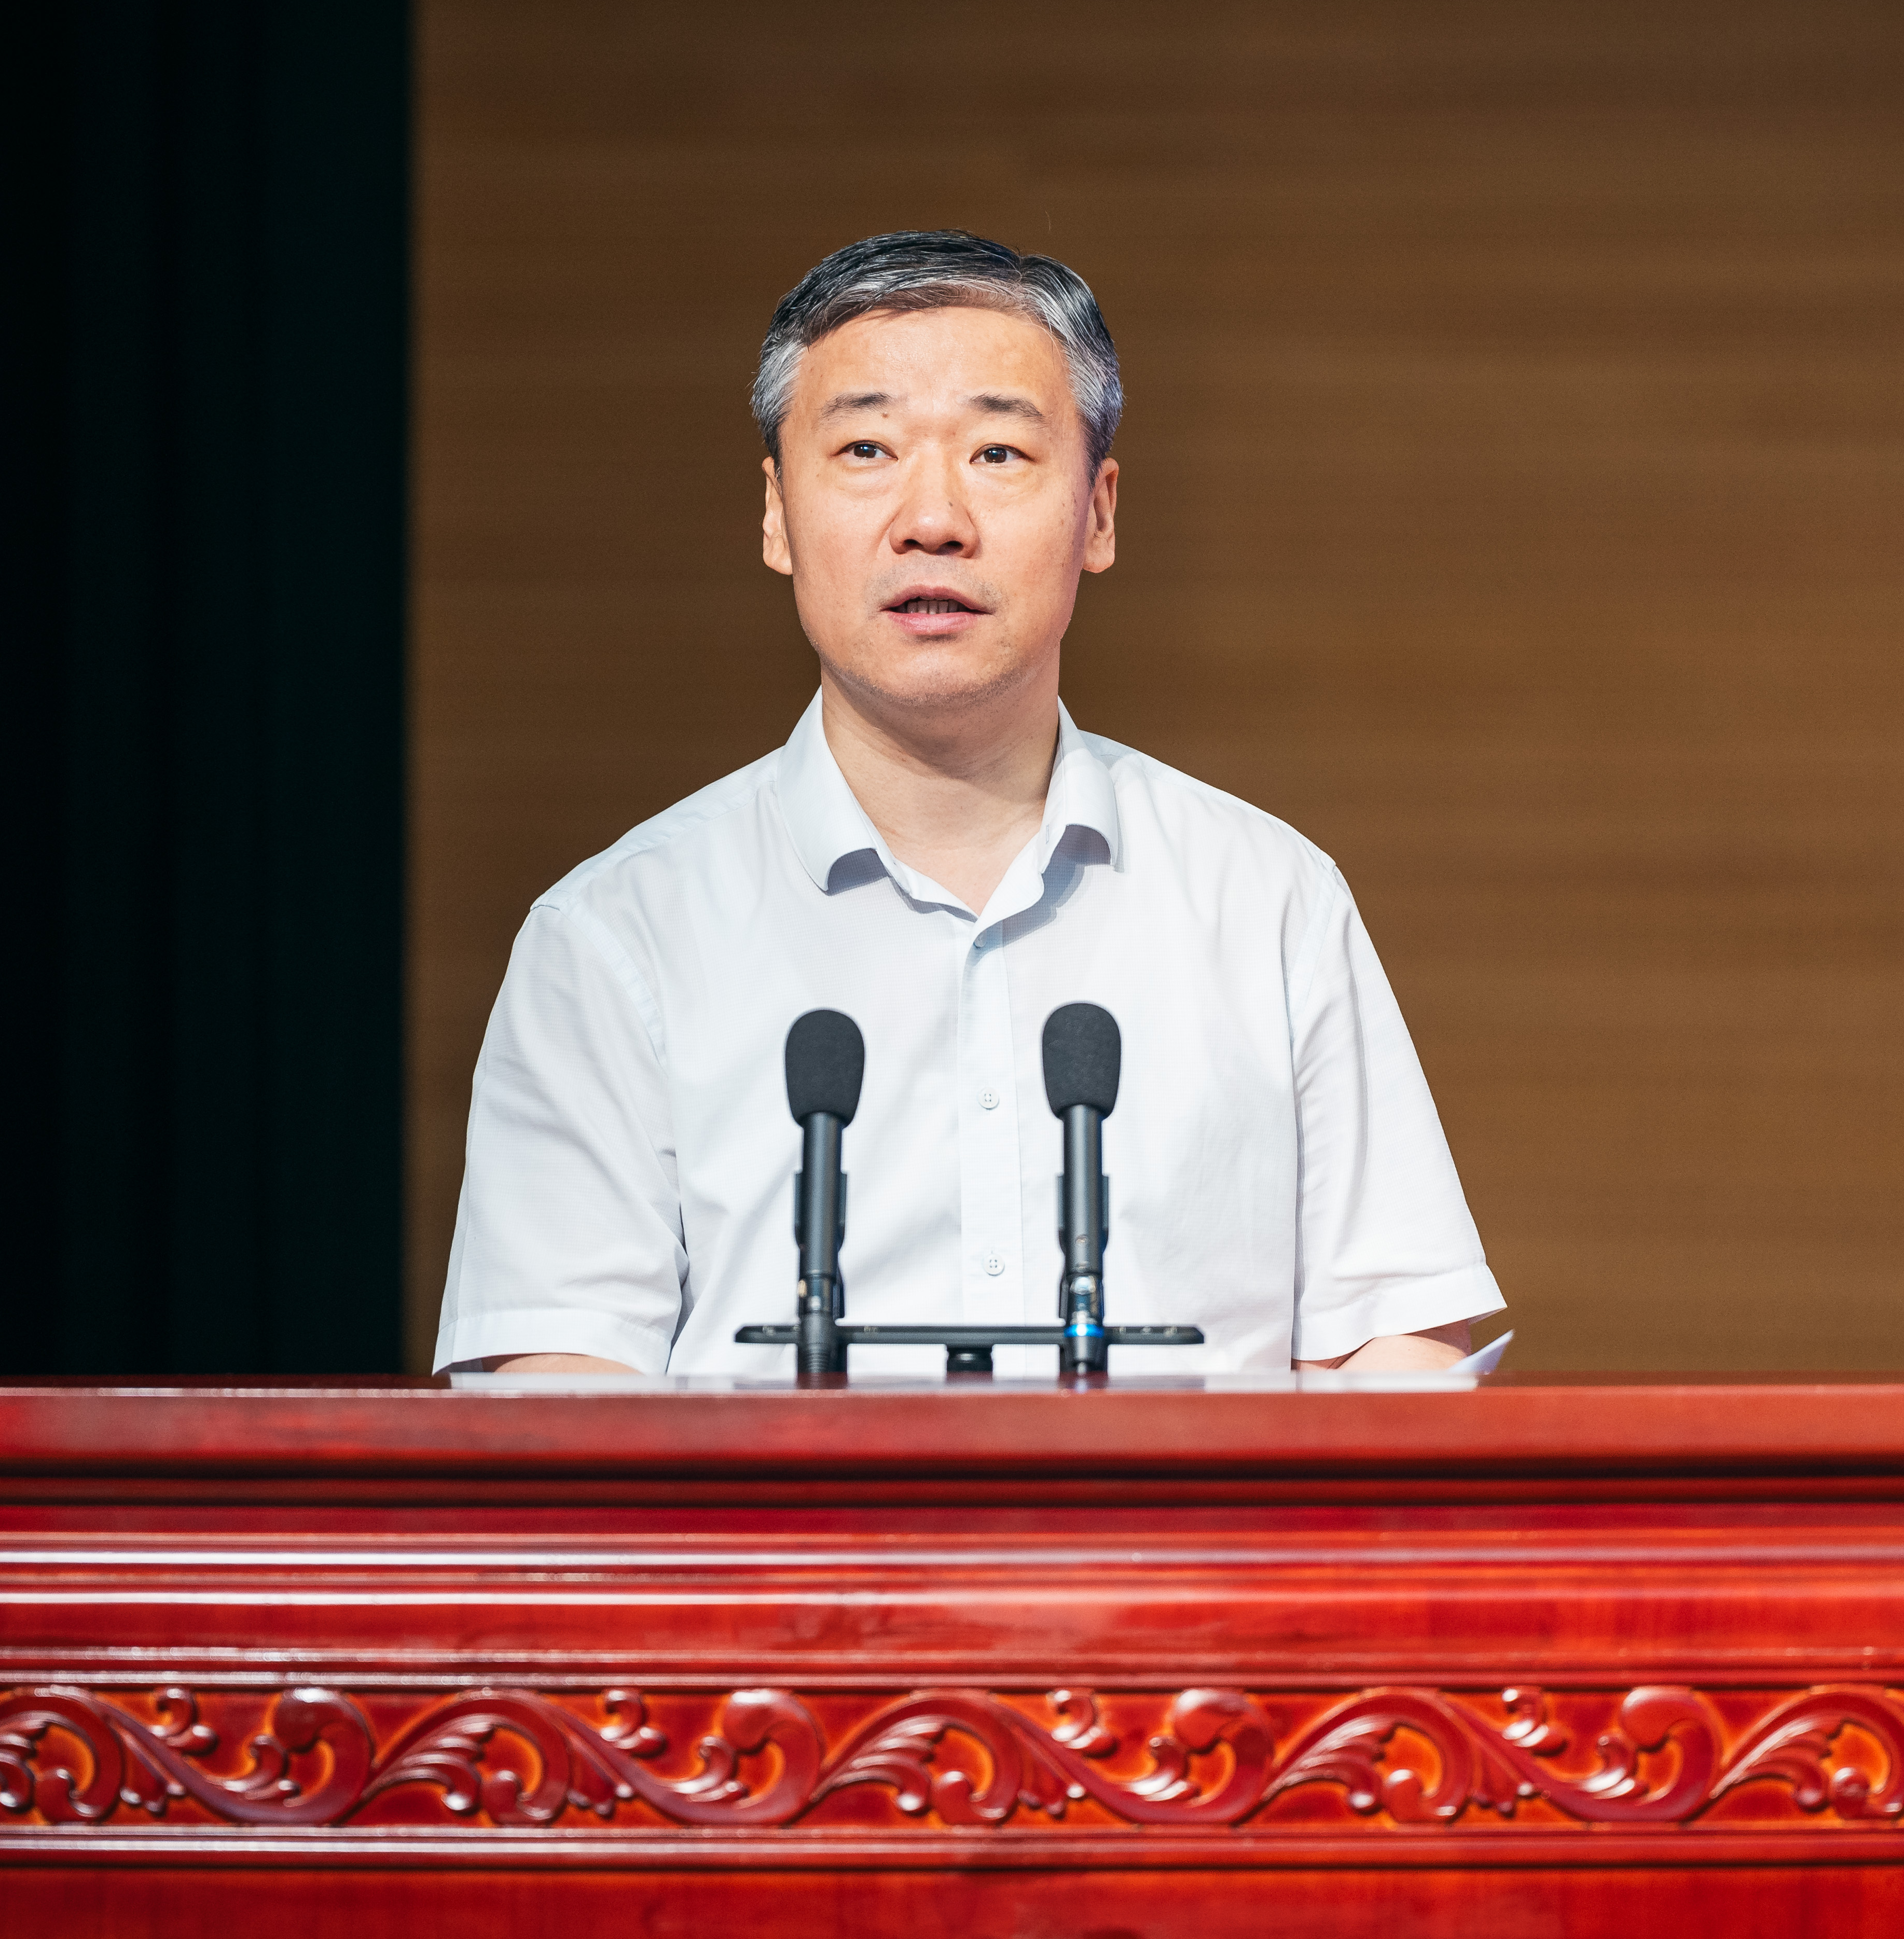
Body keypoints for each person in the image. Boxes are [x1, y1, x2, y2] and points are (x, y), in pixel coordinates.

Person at [435, 230, 1499, 1377]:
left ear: (1097, 513)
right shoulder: (613, 938)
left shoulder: (1267, 899)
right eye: (866, 448)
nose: (932, 518)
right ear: (776, 513)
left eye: (998, 452)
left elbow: (1390, 1345)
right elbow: (557, 1386)